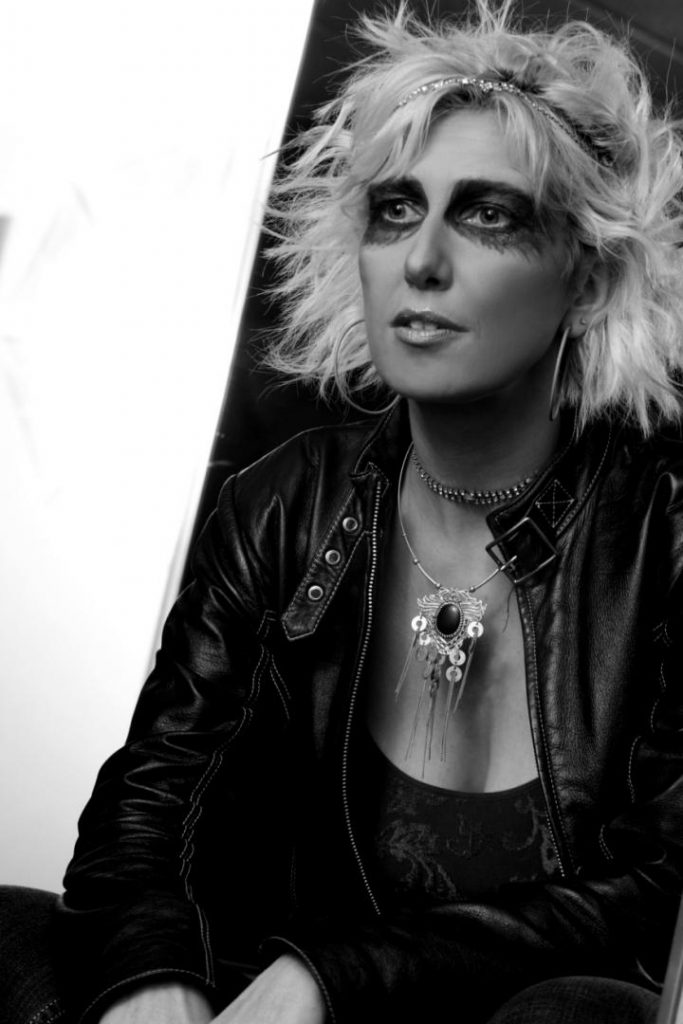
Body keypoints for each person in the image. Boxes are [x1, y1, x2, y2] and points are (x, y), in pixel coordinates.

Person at [29, 1, 683, 1021]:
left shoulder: (663, 541)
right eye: (394, 209)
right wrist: (154, 979)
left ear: (587, 278)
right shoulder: (281, 506)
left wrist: (334, 974)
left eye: (487, 214)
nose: (421, 259)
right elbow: (148, 810)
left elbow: (656, 896)